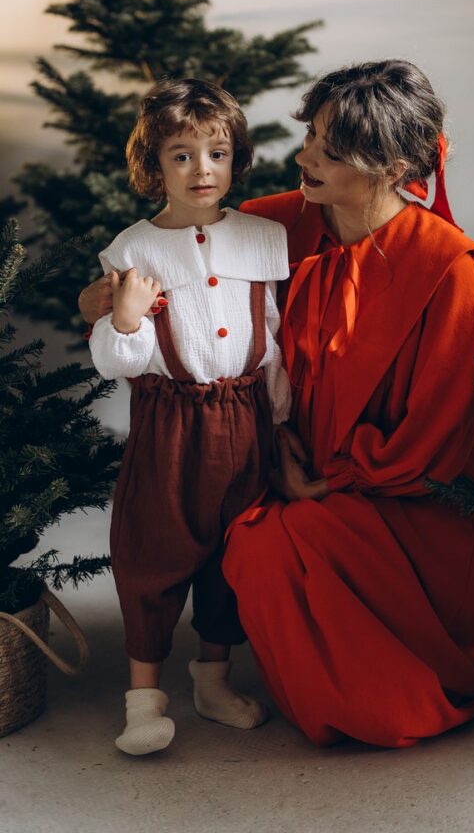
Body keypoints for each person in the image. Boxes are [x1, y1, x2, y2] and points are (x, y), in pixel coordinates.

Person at [81, 60, 474, 751]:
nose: (305, 157)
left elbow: (438, 433)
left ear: (390, 168)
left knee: (378, 703)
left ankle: (388, 657)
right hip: (293, 466)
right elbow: (165, 258)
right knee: (248, 543)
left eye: (329, 149)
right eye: (310, 136)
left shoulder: (447, 266)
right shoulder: (275, 225)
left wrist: (320, 479)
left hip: (409, 492)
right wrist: (102, 300)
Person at [85, 78, 291, 756]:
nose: (202, 169)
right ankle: (143, 701)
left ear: (235, 160)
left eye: (217, 153)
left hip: (247, 420)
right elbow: (117, 361)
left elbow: (274, 340)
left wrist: (281, 420)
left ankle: (213, 680)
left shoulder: (263, 238)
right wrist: (124, 317)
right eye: (182, 155)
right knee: (153, 551)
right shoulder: (133, 250)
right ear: (155, 165)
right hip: (171, 425)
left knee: (233, 554)